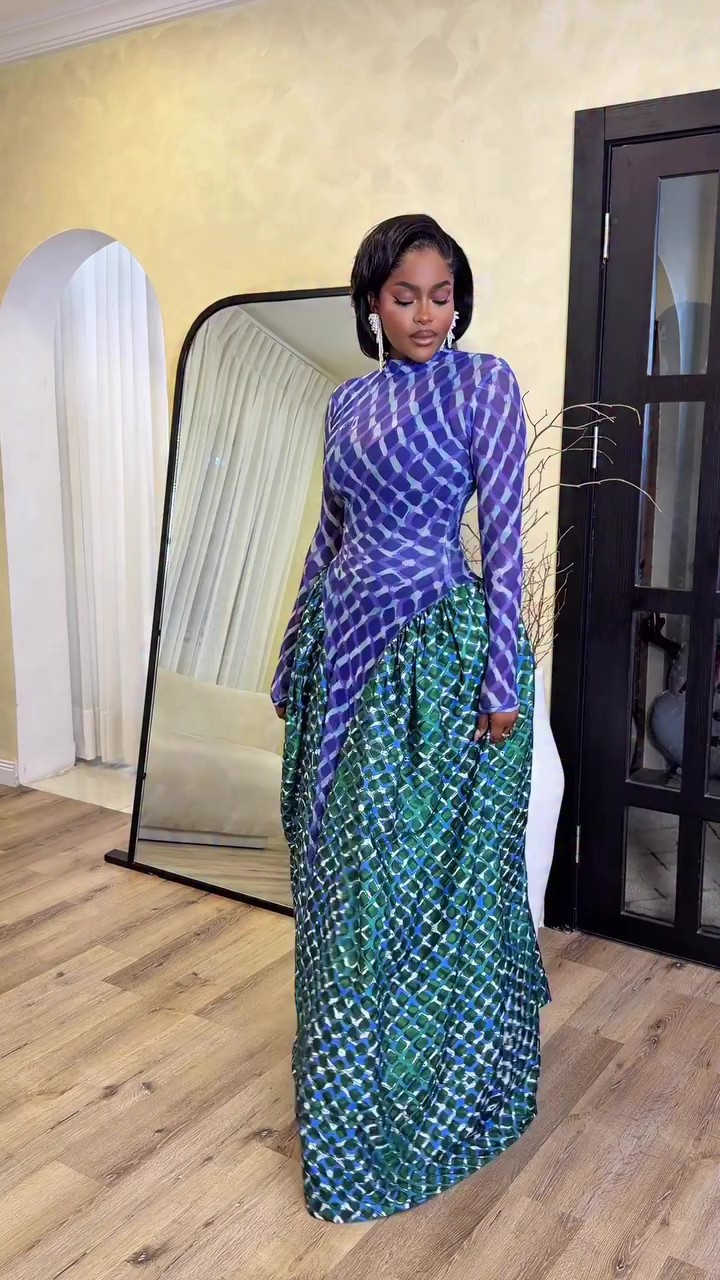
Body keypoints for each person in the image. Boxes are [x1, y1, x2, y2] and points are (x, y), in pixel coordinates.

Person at [270, 213, 551, 1224]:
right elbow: (329, 534)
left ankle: (426, 1097)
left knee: (414, 885)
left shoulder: (485, 386)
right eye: (406, 297)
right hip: (343, 649)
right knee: (336, 882)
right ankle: (343, 1092)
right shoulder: (346, 403)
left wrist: (501, 678)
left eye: (443, 295)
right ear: (372, 304)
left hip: (431, 659)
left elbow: (505, 537)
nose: (428, 315)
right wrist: (293, 649)